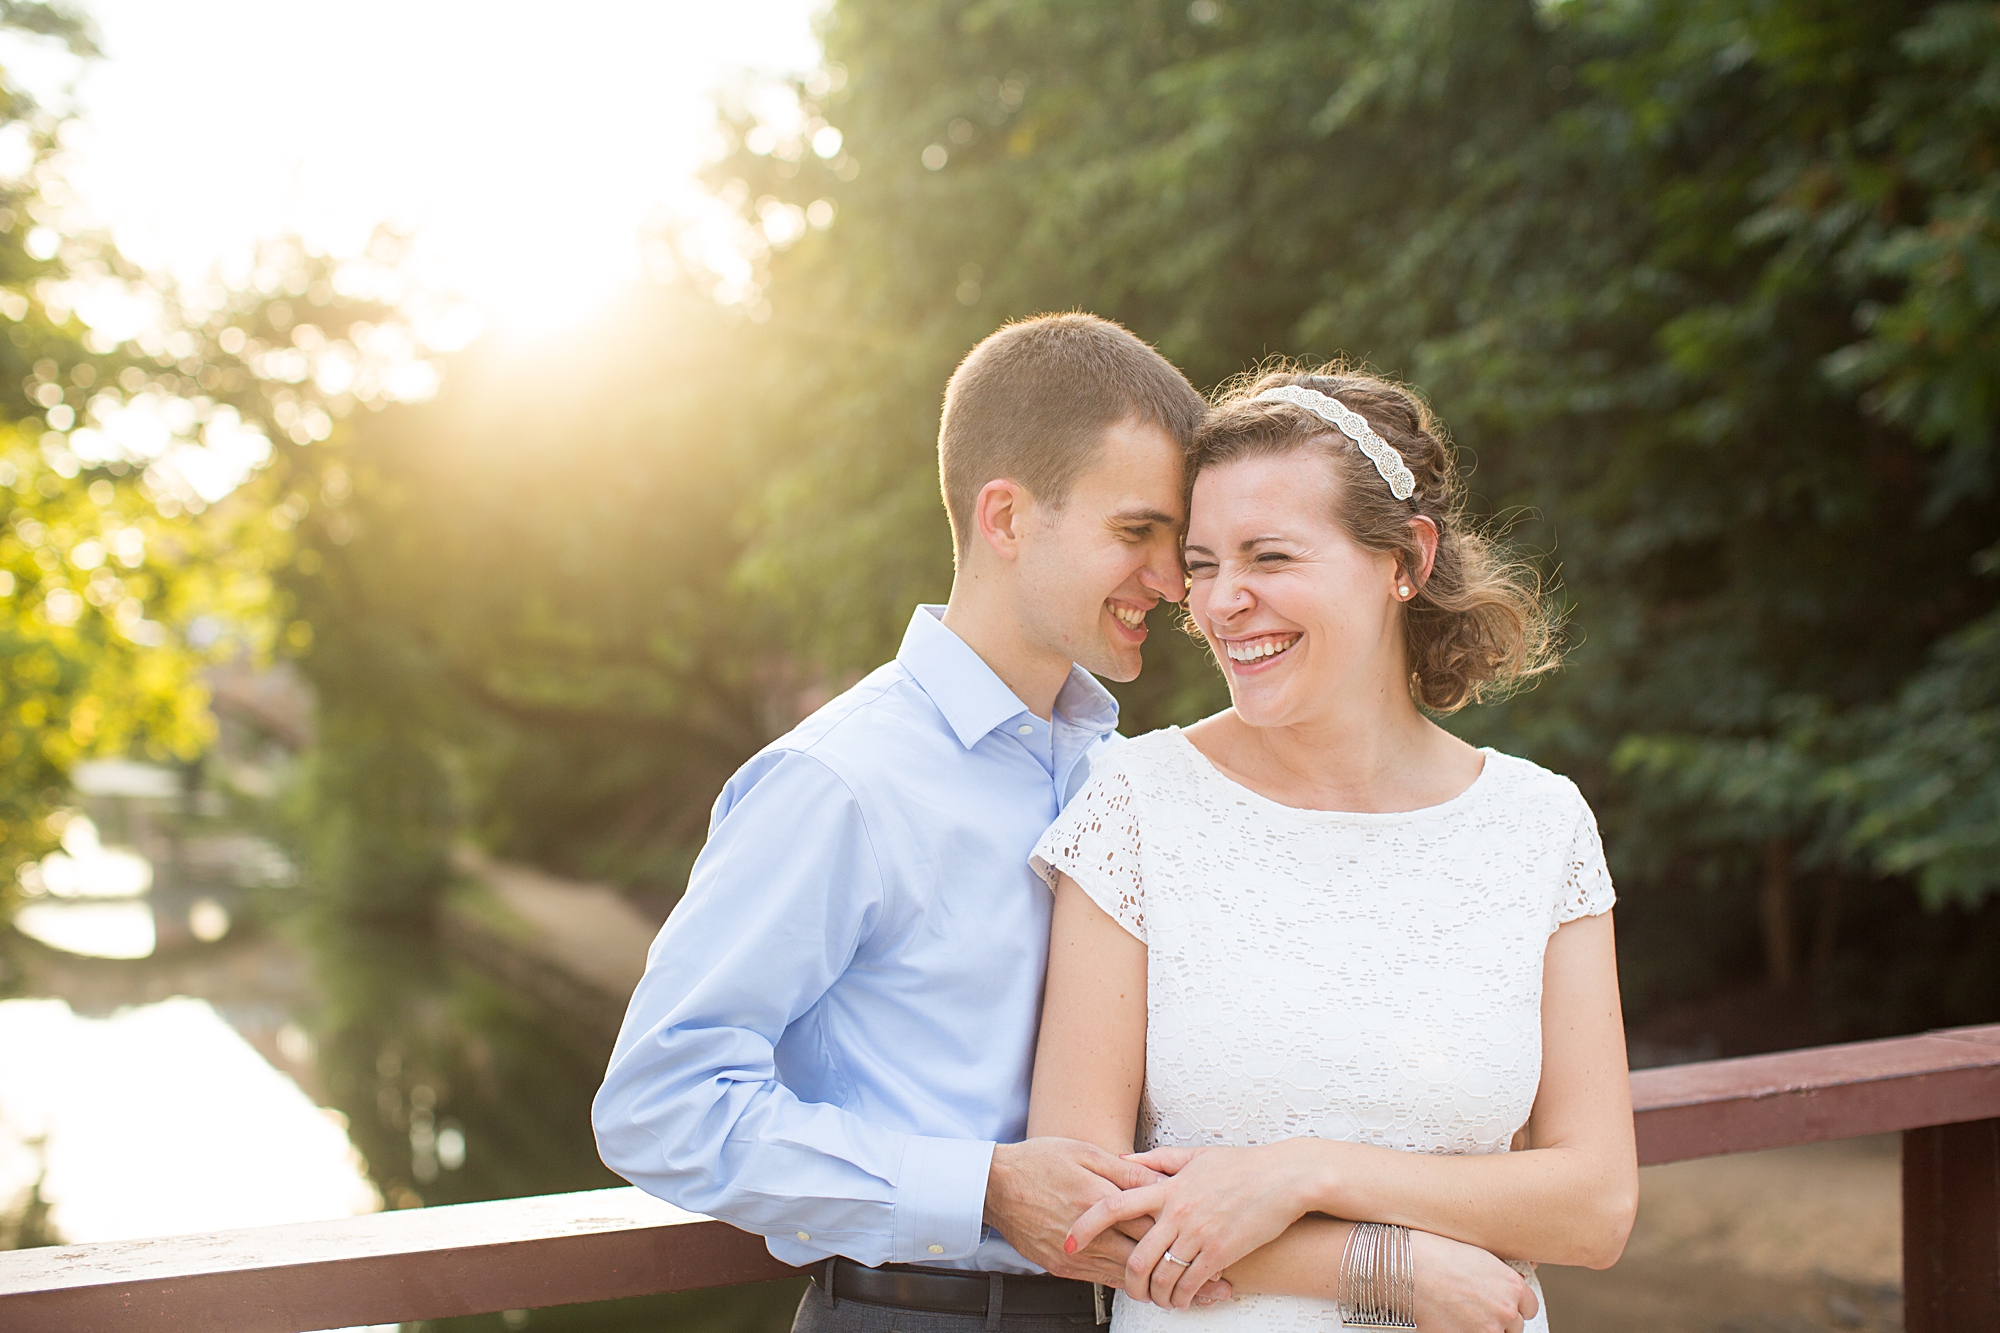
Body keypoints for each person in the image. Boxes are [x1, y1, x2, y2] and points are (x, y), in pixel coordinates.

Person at [593, 320, 1536, 1332]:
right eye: (1135, 534)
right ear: (1005, 517)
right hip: (917, 1316)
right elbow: (660, 1103)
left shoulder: (1121, 774)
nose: (1175, 583)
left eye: (1176, 544)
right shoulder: (840, 783)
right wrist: (982, 1186)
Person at [1028, 366, 1639, 1332]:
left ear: (1407, 558)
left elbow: (1598, 1204)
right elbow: (1077, 1205)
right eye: (1202, 564)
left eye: (1268, 556)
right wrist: (1378, 1265)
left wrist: (1306, 1171)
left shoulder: (1539, 823)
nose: (1223, 602)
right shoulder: (1137, 807)